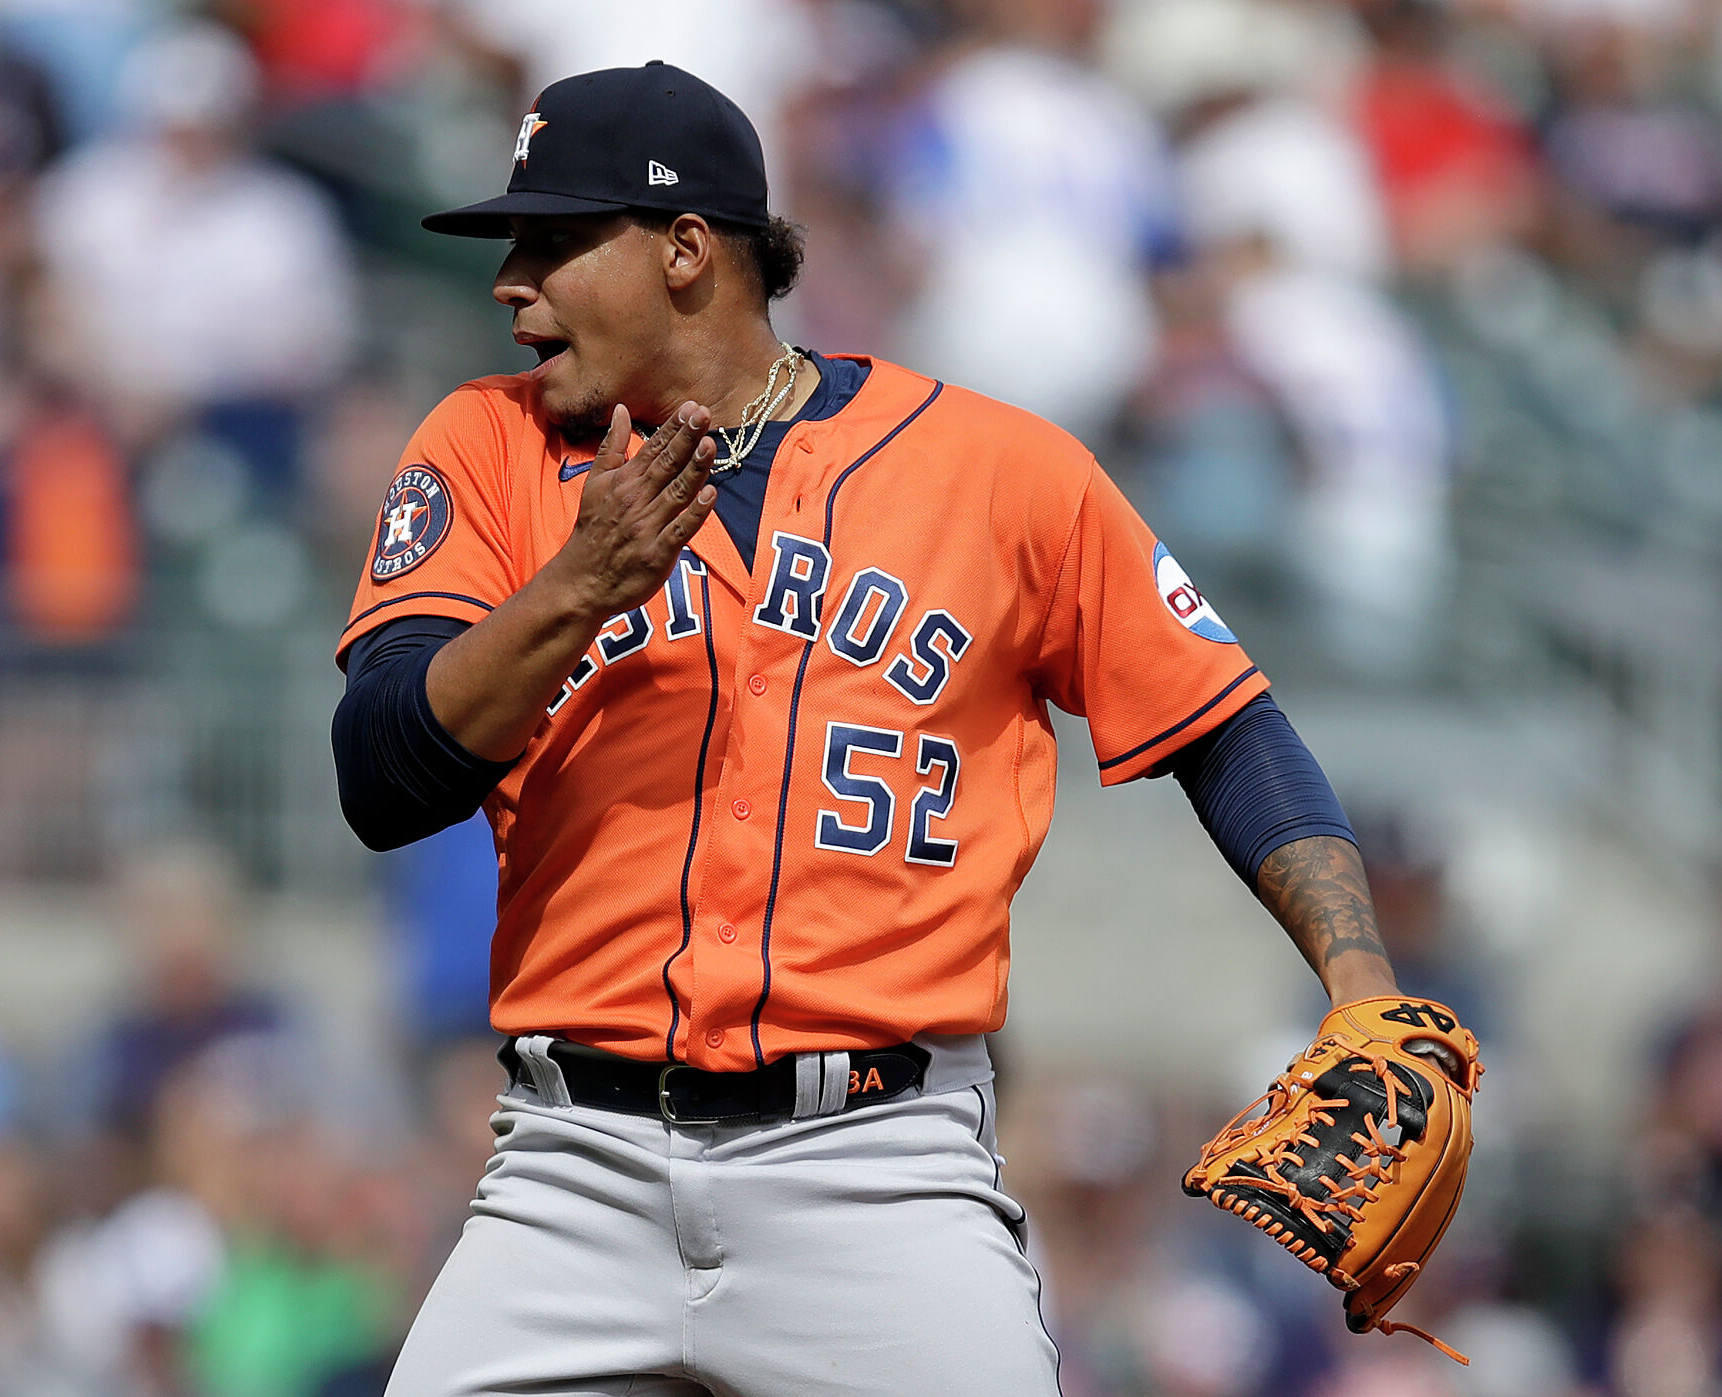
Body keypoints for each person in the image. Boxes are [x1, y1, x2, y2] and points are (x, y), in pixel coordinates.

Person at [332, 62, 1444, 1396]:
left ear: (689, 251)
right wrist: (576, 588)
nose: (512, 280)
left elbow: (1225, 720)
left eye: (555, 241)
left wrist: (1358, 972)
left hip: (875, 1169)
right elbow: (380, 770)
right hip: (574, 1171)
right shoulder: (486, 448)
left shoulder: (999, 473)